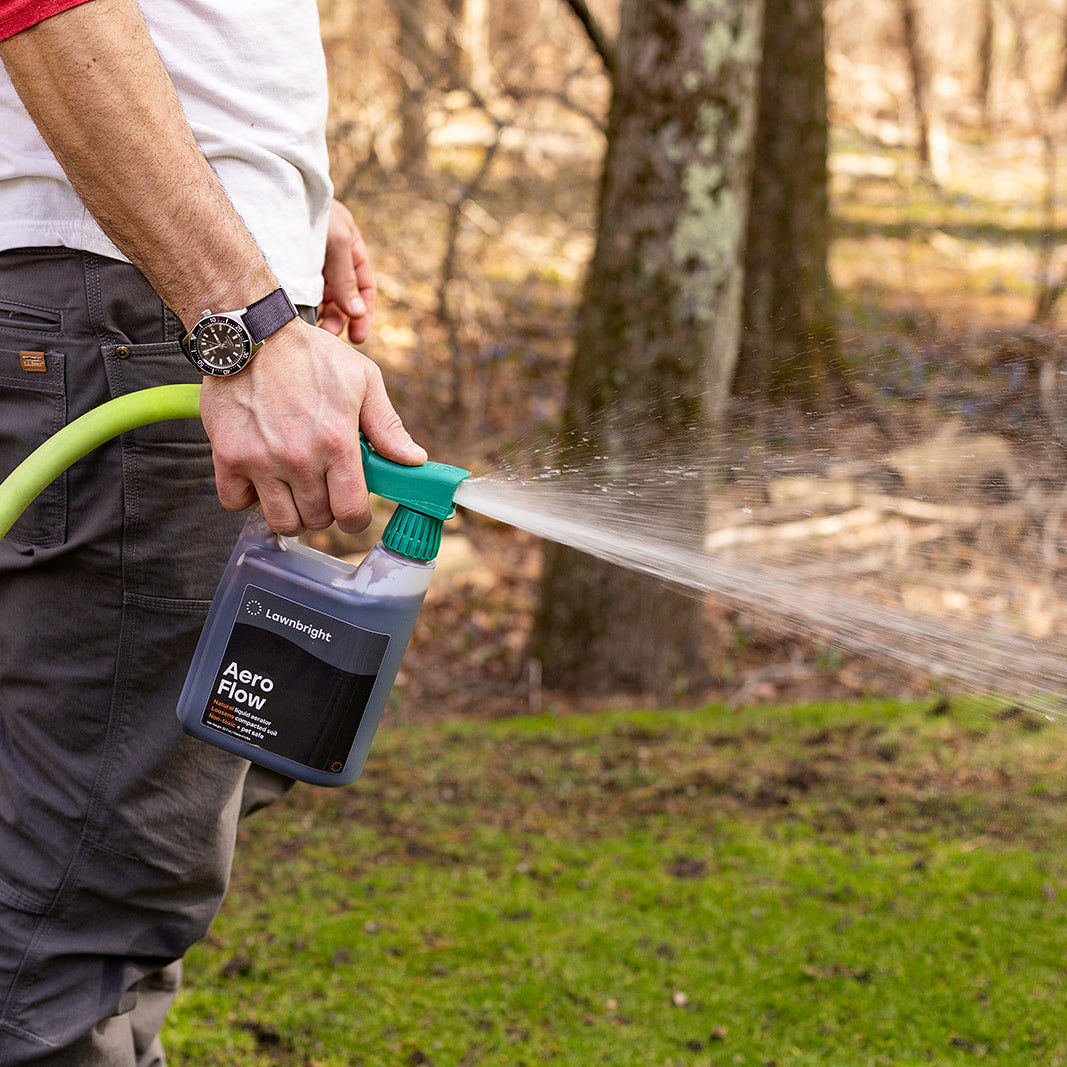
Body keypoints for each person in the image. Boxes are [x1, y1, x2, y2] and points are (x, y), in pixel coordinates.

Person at [0, 0, 425, 1062]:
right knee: (84, 897)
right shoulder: (208, 313)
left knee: (83, 845)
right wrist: (242, 317)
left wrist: (279, 192)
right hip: (125, 308)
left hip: (111, 288)